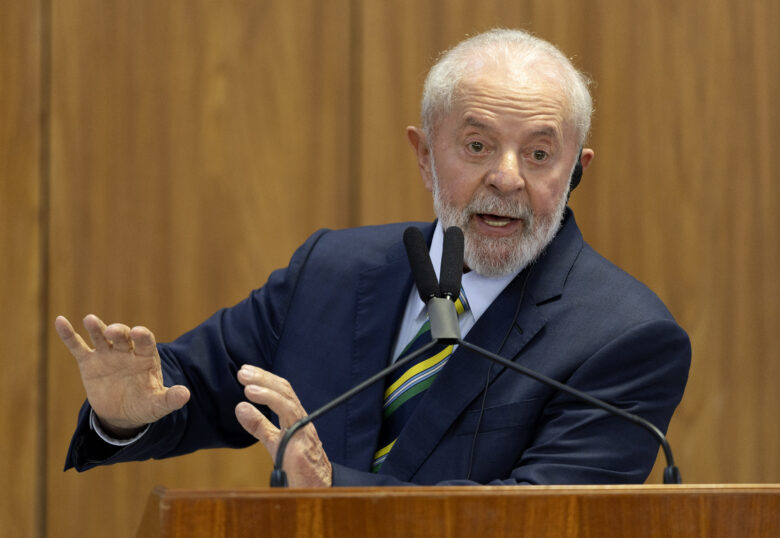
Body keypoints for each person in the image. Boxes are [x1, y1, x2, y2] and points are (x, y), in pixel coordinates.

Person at [58, 28, 690, 487]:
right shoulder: (334, 270)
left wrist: (338, 493)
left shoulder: (626, 336)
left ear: (577, 172)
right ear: (424, 154)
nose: (507, 178)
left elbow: (536, 522)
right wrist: (123, 414)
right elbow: (193, 383)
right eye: (477, 145)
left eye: (539, 155)